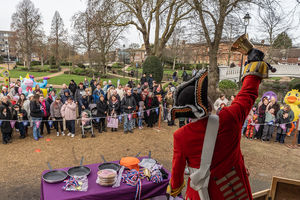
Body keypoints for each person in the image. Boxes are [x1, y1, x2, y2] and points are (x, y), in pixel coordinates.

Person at [167, 46, 269, 199]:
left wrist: (174, 190)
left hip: (200, 195)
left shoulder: (181, 136)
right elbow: (248, 93)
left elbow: (176, 176)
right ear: (207, 104)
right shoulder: (229, 117)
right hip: (234, 191)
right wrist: (254, 64)